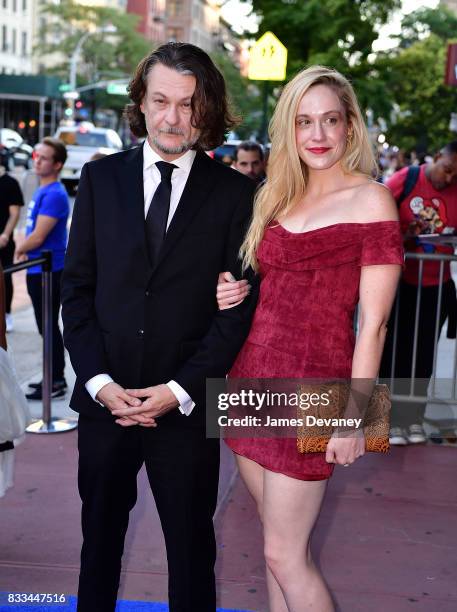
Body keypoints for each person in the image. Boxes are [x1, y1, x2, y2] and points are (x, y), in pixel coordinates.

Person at [61, 42, 258, 612]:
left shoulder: (236, 194)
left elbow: (236, 311)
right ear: (141, 105)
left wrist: (176, 391)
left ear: (209, 109)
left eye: (189, 105)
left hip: (188, 407)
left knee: (192, 551)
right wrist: (99, 382)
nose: (174, 118)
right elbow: (77, 291)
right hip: (107, 402)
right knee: (97, 544)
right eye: (161, 101)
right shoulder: (99, 181)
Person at [216, 65, 403, 611]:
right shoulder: (275, 195)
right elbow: (269, 287)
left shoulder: (373, 200)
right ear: (288, 129)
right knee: (271, 547)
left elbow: (374, 324)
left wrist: (356, 418)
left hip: (319, 387)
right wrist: (230, 290)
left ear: (350, 127)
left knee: (285, 553)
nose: (317, 135)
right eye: (303, 122)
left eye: (329, 120)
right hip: (249, 378)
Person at [380, 141, 457, 445]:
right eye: (447, 169)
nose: (449, 179)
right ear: (437, 157)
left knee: (423, 355)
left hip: (435, 286)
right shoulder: (406, 179)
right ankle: (384, 419)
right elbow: (377, 219)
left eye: (455, 176)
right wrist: (399, 238)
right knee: (394, 351)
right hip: (398, 281)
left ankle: (411, 420)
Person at [15, 137, 69, 400]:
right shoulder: (42, 190)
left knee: (47, 326)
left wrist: (18, 249)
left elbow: (38, 236)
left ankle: (56, 380)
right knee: (43, 326)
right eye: (37, 155)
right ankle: (51, 376)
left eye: (44, 158)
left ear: (57, 165)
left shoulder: (56, 194)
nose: (37, 161)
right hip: (37, 270)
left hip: (49, 271)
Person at [0, 152, 24, 332]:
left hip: (3, 241)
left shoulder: (10, 183)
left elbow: (15, 213)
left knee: (5, 277)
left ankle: (6, 314)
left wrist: (6, 235)